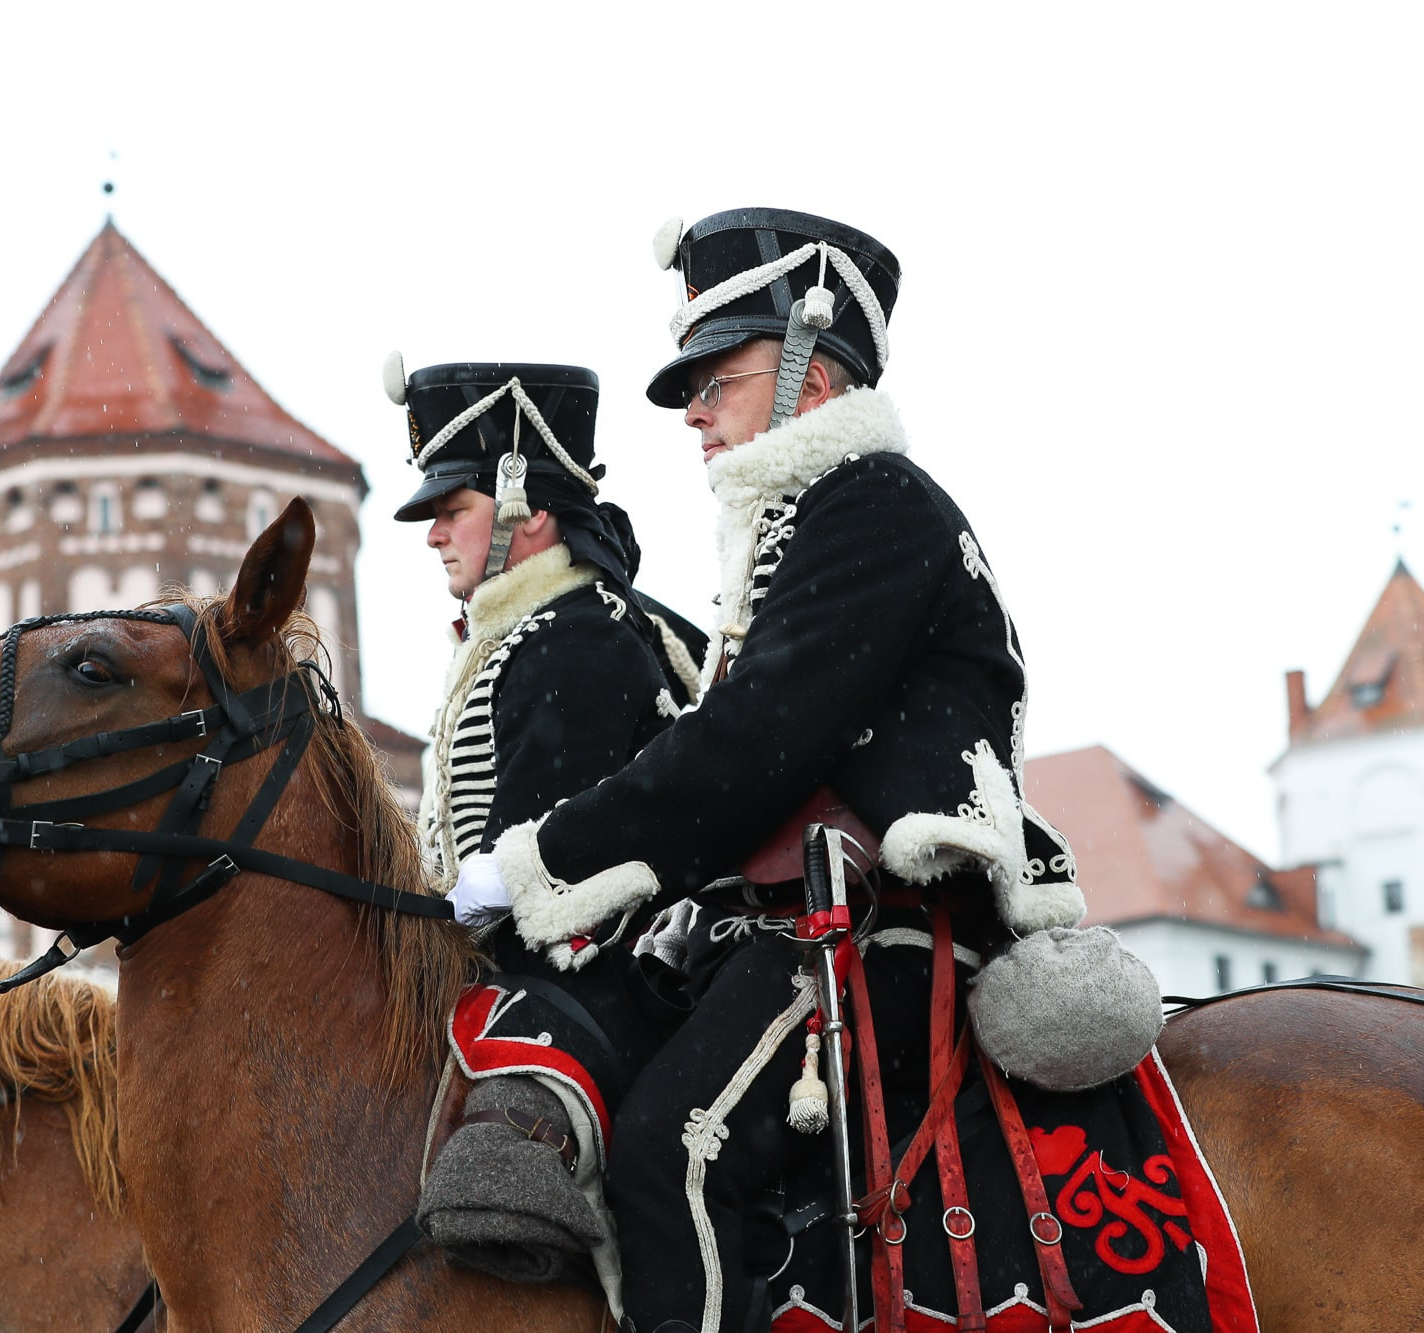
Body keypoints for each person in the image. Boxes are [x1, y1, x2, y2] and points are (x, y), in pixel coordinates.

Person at [458, 210, 1155, 1333]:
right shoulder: (793, 521)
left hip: (878, 916)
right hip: (776, 922)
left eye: (714, 378)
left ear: (807, 380)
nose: (691, 410)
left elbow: (750, 747)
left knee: (669, 1156)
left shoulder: (870, 503)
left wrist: (538, 861)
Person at [387, 358, 704, 1295]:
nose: (434, 532)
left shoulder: (584, 633)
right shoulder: (518, 632)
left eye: (455, 505)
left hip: (600, 975)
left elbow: (556, 868)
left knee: (649, 1167)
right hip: (515, 965)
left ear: (530, 510)